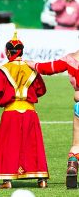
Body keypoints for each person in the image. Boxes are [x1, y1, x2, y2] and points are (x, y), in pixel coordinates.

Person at [0, 31, 49, 189]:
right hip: (30, 112)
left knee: (9, 146)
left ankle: (7, 181)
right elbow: (41, 90)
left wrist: (1, 102)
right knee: (34, 145)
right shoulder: (32, 69)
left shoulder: (3, 69)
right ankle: (41, 179)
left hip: (11, 112)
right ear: (22, 51)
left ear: (8, 52)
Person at [27, 50, 79, 189]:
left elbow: (47, 68)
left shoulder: (71, 58)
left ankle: (72, 166)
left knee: (76, 142)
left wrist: (30, 63)